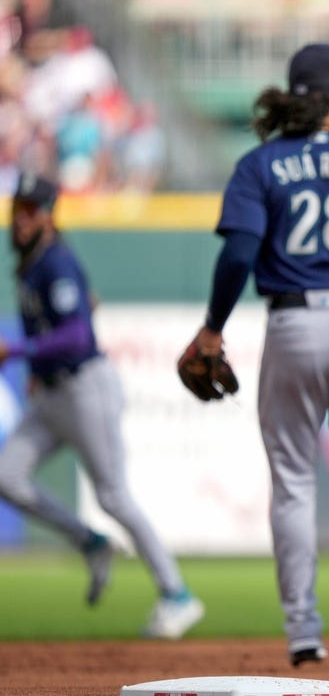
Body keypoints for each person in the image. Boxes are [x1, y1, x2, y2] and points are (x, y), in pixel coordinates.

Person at [179, 42, 329, 666]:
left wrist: (213, 328)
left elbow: (238, 253)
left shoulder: (260, 164)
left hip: (294, 322)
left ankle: (301, 634)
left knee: (293, 482)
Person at [0, 172, 204, 639]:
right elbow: (76, 312)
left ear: (48, 216)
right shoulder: (31, 263)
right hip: (52, 393)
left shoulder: (55, 261)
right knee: (6, 476)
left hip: (84, 388)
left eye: (30, 210)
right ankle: (89, 542)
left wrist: (17, 352)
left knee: (112, 496)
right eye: (18, 210)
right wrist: (33, 364)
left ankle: (177, 594)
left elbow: (75, 334)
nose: (21, 219)